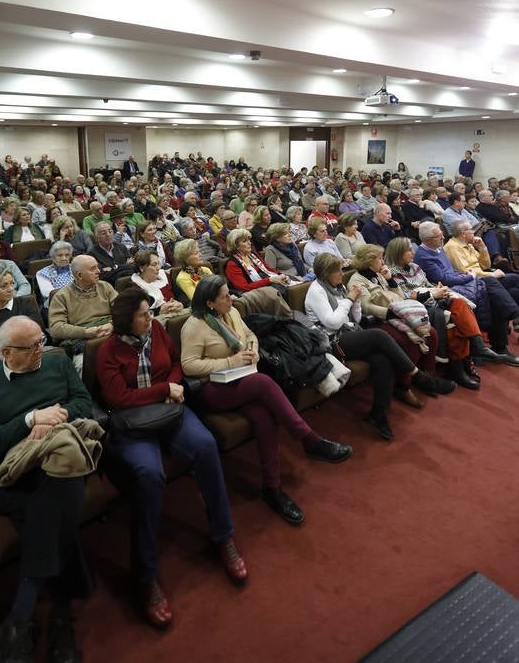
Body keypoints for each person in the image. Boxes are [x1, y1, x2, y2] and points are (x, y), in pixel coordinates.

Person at [95, 288, 247, 627]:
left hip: (169, 411)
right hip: (135, 423)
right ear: (125, 320)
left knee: (206, 446)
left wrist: (173, 387)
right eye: (143, 315)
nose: (150, 318)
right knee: (149, 475)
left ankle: (223, 536)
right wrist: (163, 390)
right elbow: (119, 398)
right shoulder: (108, 349)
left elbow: (176, 364)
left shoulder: (158, 331)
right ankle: (145, 575)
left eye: (150, 312)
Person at [0, 317, 93, 663]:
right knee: (55, 513)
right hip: (14, 477)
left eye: (42, 341)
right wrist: (29, 421)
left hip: (62, 463)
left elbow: (85, 404)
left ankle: (21, 619)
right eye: (31, 346)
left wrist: (60, 415)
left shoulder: (57, 362)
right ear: (7, 353)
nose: (41, 350)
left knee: (58, 488)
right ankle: (61, 615)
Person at [180, 276, 352, 525]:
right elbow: (189, 365)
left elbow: (250, 334)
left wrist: (250, 349)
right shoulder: (194, 326)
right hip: (213, 388)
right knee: (263, 383)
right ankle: (308, 439)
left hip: (241, 379)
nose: (231, 299)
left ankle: (272, 488)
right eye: (225, 296)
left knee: (264, 416)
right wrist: (230, 362)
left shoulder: (231, 313)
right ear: (209, 303)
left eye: (230, 293)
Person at [305, 253, 422, 438]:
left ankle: (379, 413)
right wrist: (350, 300)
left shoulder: (337, 285)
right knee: (378, 335)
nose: (341, 274)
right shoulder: (316, 291)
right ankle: (416, 374)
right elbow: (333, 323)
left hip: (348, 333)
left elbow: (355, 319)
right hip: (331, 342)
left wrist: (356, 302)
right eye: (338, 271)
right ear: (326, 273)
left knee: (382, 359)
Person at [384, 237, 507, 387]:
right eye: (409, 250)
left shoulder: (415, 267)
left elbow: (428, 284)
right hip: (417, 308)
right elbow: (403, 296)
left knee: (459, 305)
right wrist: (432, 294)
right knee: (455, 321)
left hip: (434, 298)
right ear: (398, 253)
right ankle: (464, 363)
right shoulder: (392, 273)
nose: (413, 251)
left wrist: (439, 288)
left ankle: (473, 352)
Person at [347, 244, 456, 405]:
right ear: (369, 261)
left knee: (430, 332)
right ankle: (402, 387)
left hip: (396, 314)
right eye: (379, 257)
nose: (382, 260)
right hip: (376, 322)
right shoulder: (357, 280)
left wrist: (390, 280)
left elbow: (399, 297)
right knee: (409, 340)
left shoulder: (379, 275)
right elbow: (366, 307)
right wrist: (392, 313)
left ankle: (428, 376)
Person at [414, 222, 519, 363]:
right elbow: (444, 278)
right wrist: (469, 277)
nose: (442, 237)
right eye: (438, 236)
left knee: (497, 292)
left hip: (461, 281)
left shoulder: (438, 248)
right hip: (447, 289)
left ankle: (501, 342)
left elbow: (480, 266)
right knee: (492, 288)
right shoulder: (424, 255)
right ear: (427, 240)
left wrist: (481, 248)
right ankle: (505, 336)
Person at [48, 255, 117, 373]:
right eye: (92, 269)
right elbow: (55, 328)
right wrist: (85, 332)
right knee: (81, 365)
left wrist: (112, 324)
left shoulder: (105, 286)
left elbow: (124, 310)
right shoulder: (62, 296)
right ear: (79, 275)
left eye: (97, 267)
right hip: (84, 341)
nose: (98, 271)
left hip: (111, 332)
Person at [444, 222, 519, 305]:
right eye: (471, 230)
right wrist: (492, 275)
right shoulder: (452, 247)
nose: (474, 232)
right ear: (463, 233)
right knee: (515, 278)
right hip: (475, 281)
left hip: (484, 277)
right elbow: (466, 271)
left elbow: (486, 265)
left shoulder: (469, 245)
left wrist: (482, 247)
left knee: (513, 292)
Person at [225, 229, 290, 293]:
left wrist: (281, 275)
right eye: (244, 241)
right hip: (254, 293)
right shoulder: (232, 264)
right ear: (236, 246)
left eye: (249, 240)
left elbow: (268, 269)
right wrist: (270, 280)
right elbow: (244, 287)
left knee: (293, 282)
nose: (249, 243)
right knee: (283, 291)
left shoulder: (252, 255)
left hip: (267, 282)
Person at [131, 249, 184, 315]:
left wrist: (180, 304)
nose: (158, 267)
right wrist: (159, 310)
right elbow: (138, 313)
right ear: (142, 268)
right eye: (154, 265)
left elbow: (182, 296)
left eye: (158, 263)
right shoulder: (136, 286)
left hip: (177, 314)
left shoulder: (164, 276)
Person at [35, 241, 75, 308]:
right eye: (60, 255)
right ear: (53, 258)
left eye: (67, 255)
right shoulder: (42, 273)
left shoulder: (76, 268)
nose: (64, 258)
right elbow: (49, 294)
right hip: (56, 306)